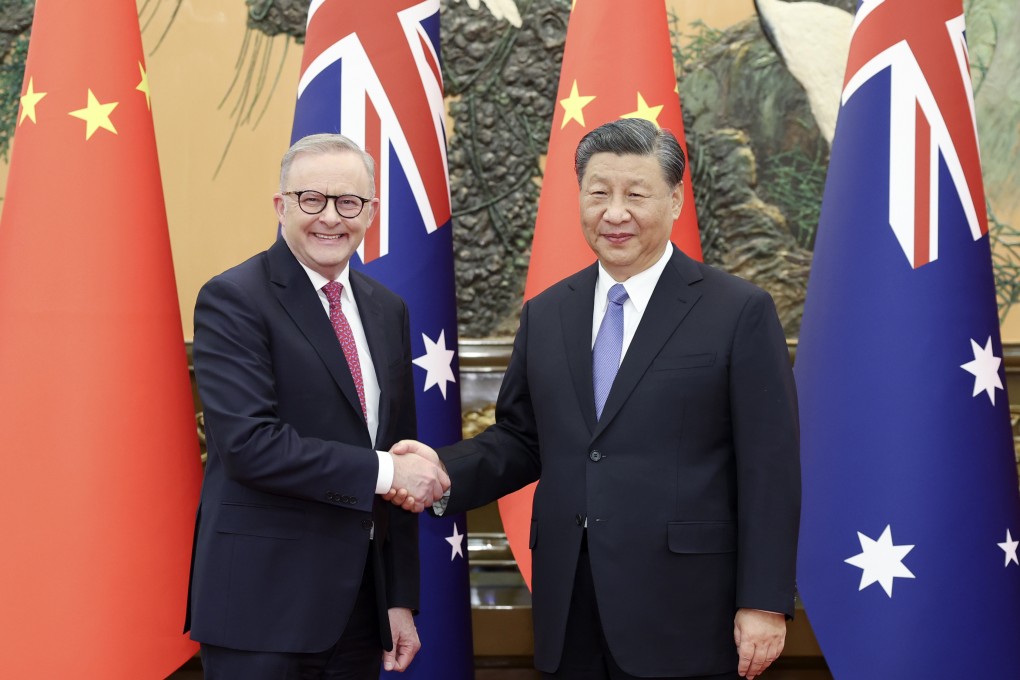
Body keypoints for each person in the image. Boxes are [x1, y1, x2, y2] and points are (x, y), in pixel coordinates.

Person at [391, 119, 801, 680]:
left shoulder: (738, 311)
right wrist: (442, 468)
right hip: (570, 605)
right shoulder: (548, 311)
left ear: (676, 199)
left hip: (687, 610)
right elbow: (523, 438)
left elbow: (769, 468)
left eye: (636, 194)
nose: (615, 212)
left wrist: (764, 601)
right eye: (599, 193)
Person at [185, 133, 449, 679]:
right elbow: (250, 447)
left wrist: (396, 600)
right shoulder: (233, 299)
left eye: (348, 202)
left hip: (357, 611)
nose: (330, 217)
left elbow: (397, 452)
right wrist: (387, 470)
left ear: (371, 213)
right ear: (281, 206)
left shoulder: (387, 310)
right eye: (312, 199)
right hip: (262, 608)